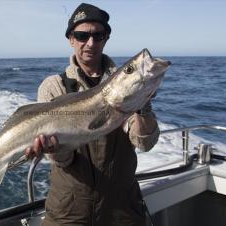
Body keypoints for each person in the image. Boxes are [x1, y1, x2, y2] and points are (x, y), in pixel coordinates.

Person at [25, 3, 160, 226]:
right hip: (69, 212)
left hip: (123, 210)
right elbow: (64, 161)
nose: (90, 43)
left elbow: (144, 144)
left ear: (106, 39)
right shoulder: (53, 87)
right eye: (81, 35)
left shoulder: (126, 85)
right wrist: (54, 150)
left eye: (98, 35)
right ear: (70, 39)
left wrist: (143, 105)